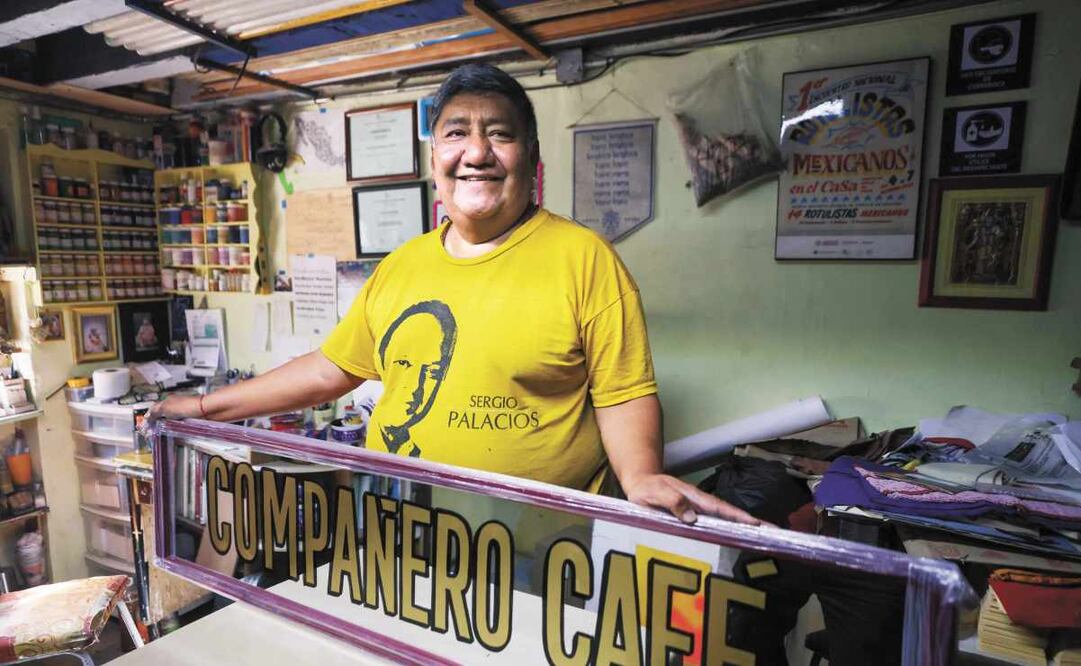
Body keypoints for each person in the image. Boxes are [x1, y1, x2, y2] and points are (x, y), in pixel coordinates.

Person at [148, 63, 758, 526]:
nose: (477, 152)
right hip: (398, 521)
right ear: (435, 156)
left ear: (532, 158)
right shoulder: (401, 266)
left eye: (500, 134)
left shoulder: (586, 260)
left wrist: (642, 475)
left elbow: (622, 393)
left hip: (536, 543)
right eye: (457, 133)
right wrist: (203, 407)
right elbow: (330, 369)